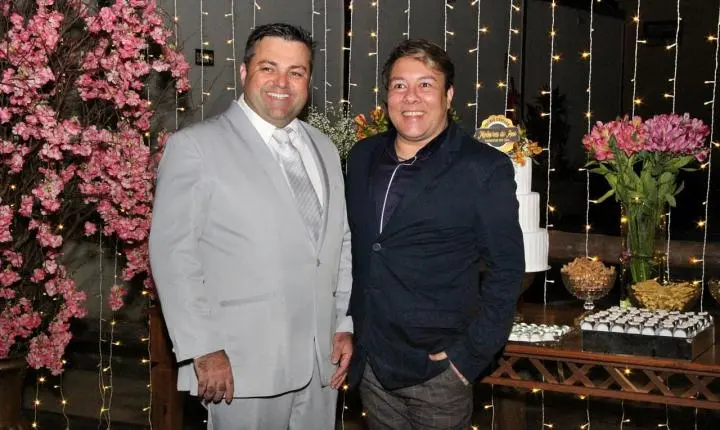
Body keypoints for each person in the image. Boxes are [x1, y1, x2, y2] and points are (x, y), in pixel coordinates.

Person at [149, 23, 353, 430]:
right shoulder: (196, 147)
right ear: (244, 72)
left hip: (322, 364)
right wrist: (203, 347)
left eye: (296, 72)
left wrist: (343, 323)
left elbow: (340, 243)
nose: (282, 83)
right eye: (268, 68)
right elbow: (173, 254)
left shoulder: (325, 147)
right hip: (240, 365)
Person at [344, 39, 525, 429]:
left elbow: (507, 269)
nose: (411, 97)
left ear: (448, 95)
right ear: (387, 96)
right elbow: (356, 249)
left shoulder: (483, 168)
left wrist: (468, 356)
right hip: (372, 363)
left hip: (438, 370)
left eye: (425, 84)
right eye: (399, 85)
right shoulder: (362, 157)